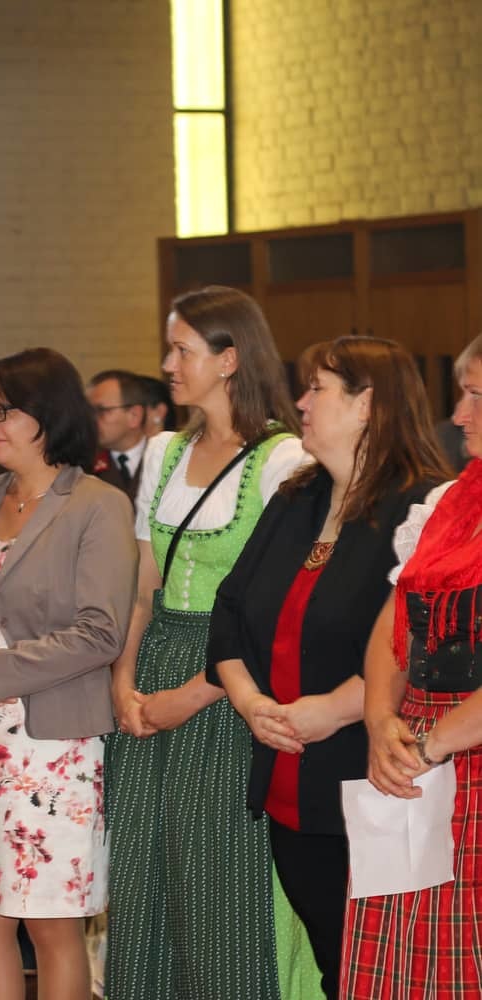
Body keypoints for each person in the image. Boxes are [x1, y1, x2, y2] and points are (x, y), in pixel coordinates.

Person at [204, 337, 448, 998]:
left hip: (374, 778)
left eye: (318, 389)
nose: (302, 403)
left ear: (367, 404)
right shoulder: (297, 498)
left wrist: (336, 710)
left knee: (383, 972)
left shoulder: (423, 507)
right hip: (289, 779)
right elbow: (229, 612)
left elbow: (429, 643)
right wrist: (251, 703)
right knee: (333, 964)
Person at [106, 285, 311, 1000]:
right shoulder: (163, 451)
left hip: (229, 683)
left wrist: (191, 697)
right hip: (154, 663)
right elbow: (144, 582)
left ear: (229, 360)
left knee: (218, 878)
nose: (168, 364)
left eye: (181, 350)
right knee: (144, 873)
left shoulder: (284, 460)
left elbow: (275, 611)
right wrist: (124, 680)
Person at [0, 348, 135, 1000]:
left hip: (54, 746)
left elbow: (100, 633)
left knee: (50, 927)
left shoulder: (97, 505)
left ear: (48, 415)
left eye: (1, 410)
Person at [346, 332, 482, 998]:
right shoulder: (448, 504)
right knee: (405, 954)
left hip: (457, 744)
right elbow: (391, 626)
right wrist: (380, 722)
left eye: (476, 396)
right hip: (418, 744)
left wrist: (428, 747)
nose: (458, 414)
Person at [87, 369, 152, 505]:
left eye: (101, 410)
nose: (91, 419)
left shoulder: (167, 461)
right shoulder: (83, 464)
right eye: (88, 411)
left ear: (134, 415)